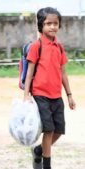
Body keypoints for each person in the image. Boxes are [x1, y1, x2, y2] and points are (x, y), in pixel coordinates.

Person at [24, 7, 76, 169]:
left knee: (58, 131)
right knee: (48, 130)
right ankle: (46, 165)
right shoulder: (36, 46)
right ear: (41, 25)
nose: (52, 27)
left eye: (55, 23)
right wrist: (26, 95)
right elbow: (30, 72)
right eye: (48, 23)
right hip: (40, 95)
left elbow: (63, 73)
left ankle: (39, 150)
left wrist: (69, 95)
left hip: (57, 96)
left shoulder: (59, 47)